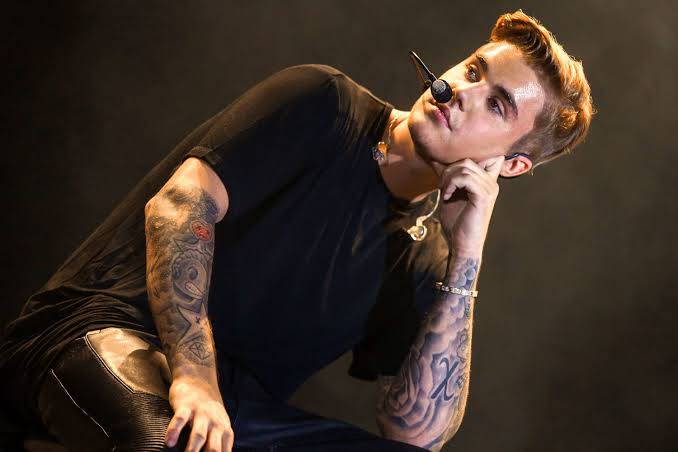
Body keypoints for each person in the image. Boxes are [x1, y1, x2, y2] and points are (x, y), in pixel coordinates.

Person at [0, 10, 592, 452]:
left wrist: (466, 257)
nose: (462, 91)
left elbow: (416, 434)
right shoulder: (324, 101)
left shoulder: (426, 254)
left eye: (496, 104)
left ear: (512, 165)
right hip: (102, 333)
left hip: (237, 408)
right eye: (473, 70)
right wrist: (196, 380)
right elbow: (178, 209)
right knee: (171, 441)